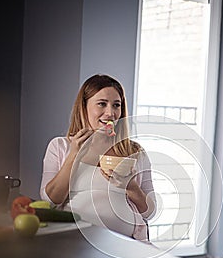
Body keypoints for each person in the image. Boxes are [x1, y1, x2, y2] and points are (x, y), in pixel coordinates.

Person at [40, 74, 156, 241]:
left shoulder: (135, 151)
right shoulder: (60, 146)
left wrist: (131, 187)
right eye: (102, 104)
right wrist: (74, 154)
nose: (110, 113)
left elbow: (150, 212)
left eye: (117, 105)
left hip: (126, 245)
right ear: (84, 107)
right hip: (74, 241)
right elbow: (50, 200)